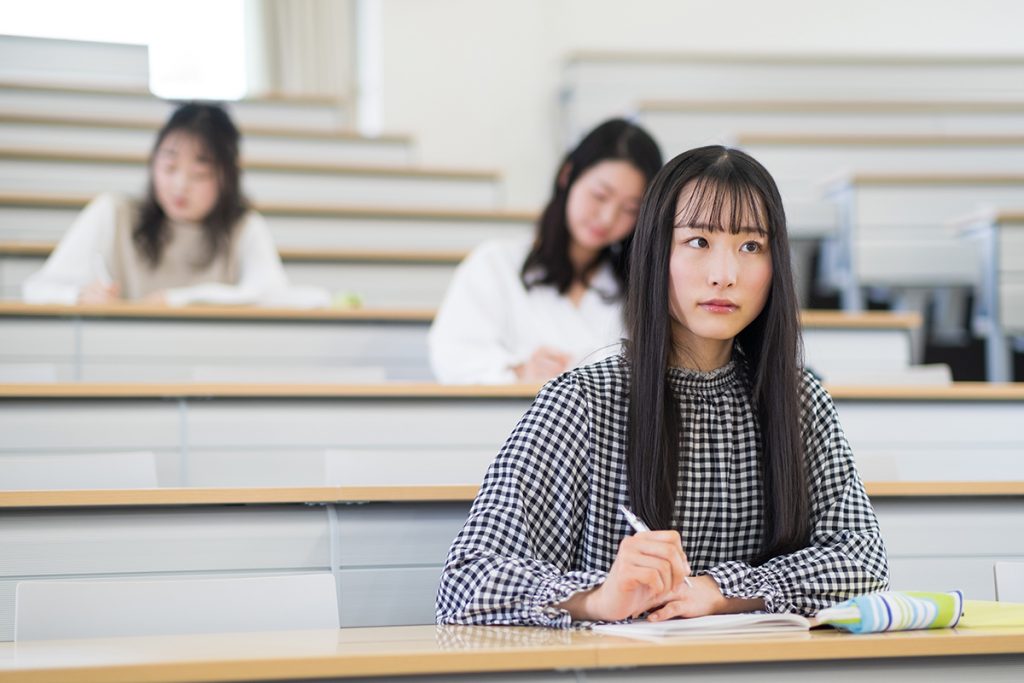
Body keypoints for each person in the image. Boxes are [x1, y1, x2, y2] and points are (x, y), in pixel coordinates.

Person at [436, 146, 889, 627]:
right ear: (655, 251)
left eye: (751, 246)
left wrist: (719, 591)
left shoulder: (800, 402)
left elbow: (862, 562)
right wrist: (597, 598)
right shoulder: (583, 402)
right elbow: (467, 579)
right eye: (698, 242)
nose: (725, 275)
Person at [428, 119, 663, 383]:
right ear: (567, 175)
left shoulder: (638, 286)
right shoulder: (495, 264)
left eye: (630, 209)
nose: (608, 218)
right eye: (599, 195)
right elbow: (452, 355)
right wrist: (518, 371)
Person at [22, 102, 294, 307]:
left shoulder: (243, 227)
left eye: (200, 174)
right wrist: (77, 295)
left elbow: (274, 295)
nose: (180, 185)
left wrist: (175, 300)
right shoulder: (115, 212)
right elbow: (37, 289)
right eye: (169, 166)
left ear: (228, 178)